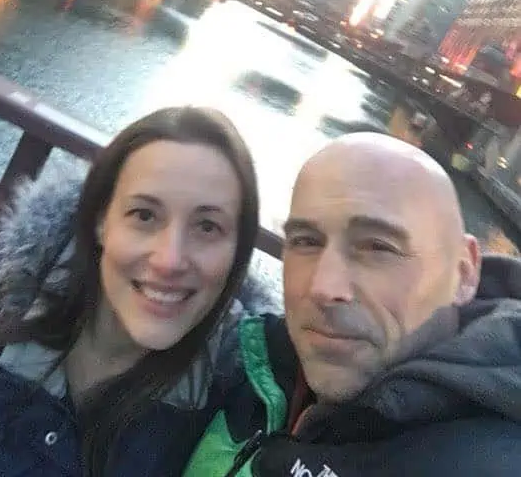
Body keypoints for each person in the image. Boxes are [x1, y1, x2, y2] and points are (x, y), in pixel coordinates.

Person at [184, 132, 521, 477]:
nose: (324, 287)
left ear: (463, 273)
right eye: (306, 241)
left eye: (378, 247)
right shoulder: (250, 364)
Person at [0, 105, 270, 477]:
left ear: (236, 255)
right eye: (144, 215)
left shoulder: (237, 424)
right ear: (101, 220)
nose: (169, 260)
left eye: (207, 227)